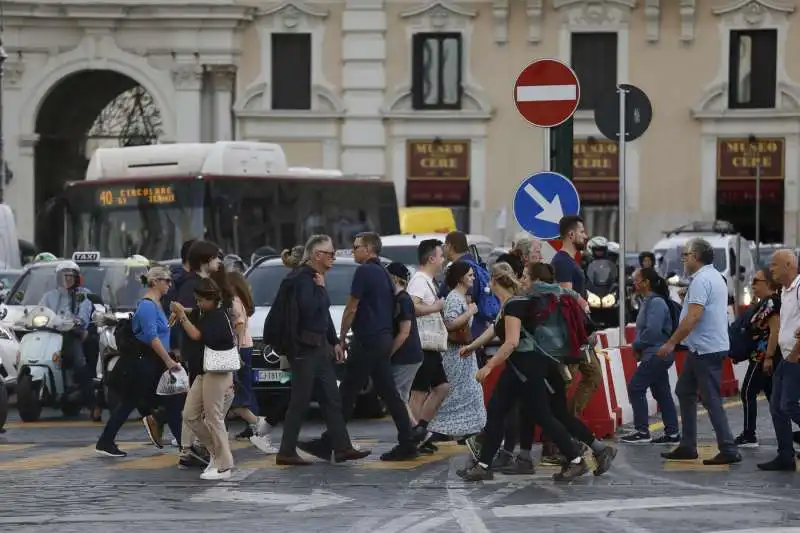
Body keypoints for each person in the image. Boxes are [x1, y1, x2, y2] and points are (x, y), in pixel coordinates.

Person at [457, 263, 615, 482]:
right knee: (537, 412)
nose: (522, 278)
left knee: (538, 414)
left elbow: (511, 341)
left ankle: (575, 460)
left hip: (525, 366)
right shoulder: (520, 302)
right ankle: (485, 464)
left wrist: (488, 366)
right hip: (540, 364)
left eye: (525, 275)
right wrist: (472, 346)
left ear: (493, 282)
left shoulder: (515, 304)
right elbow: (497, 327)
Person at [301, 233, 418, 462]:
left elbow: (352, 307)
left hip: (367, 341)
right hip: (382, 340)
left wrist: (342, 337)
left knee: (347, 392)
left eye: (356, 247)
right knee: (388, 394)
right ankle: (407, 442)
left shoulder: (364, 271)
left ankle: (330, 442)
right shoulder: (384, 272)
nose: (353, 251)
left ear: (368, 249)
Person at [274, 235, 367, 466]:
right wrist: (321, 291)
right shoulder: (302, 279)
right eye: (330, 254)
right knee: (300, 400)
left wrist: (334, 341)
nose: (333, 258)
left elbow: (322, 317)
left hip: (319, 349)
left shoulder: (316, 278)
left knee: (331, 399)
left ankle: (342, 447)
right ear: (317, 255)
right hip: (304, 349)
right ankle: (286, 451)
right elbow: (309, 310)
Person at [657, 238, 741, 465]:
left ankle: (728, 448)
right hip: (702, 349)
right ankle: (687, 445)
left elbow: (693, 317)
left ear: (695, 257)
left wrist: (671, 343)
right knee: (684, 391)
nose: (683, 259)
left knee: (711, 399)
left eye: (685, 255)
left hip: (706, 350)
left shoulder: (702, 280)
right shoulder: (713, 277)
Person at [95, 266, 183, 457]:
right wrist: (169, 361)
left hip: (152, 362)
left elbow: (160, 332)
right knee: (166, 401)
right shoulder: (147, 306)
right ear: (155, 282)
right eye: (166, 281)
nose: (169, 284)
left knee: (167, 402)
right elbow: (152, 337)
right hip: (145, 363)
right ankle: (185, 446)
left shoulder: (158, 304)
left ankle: (106, 441)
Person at [545, 215, 602, 464]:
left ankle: (569, 430)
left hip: (579, 336)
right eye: (581, 232)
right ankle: (556, 441)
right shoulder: (563, 262)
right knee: (564, 386)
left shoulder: (570, 261)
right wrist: (582, 332)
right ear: (570, 235)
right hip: (571, 337)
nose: (585, 236)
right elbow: (566, 301)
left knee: (592, 376)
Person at [170, 278, 237, 480]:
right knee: (190, 415)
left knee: (213, 417)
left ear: (211, 299)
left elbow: (197, 335)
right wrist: (184, 311)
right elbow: (196, 312)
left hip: (216, 372)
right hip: (202, 371)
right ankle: (215, 455)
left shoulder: (217, 316)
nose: (198, 304)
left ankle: (224, 465)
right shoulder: (205, 312)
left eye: (201, 300)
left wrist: (182, 316)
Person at [426, 261, 486, 439]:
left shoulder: (460, 297)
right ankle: (442, 429)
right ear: (460, 278)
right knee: (458, 393)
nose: (473, 278)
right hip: (456, 355)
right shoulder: (454, 298)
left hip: (465, 354)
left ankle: (468, 429)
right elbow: (450, 324)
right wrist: (470, 312)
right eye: (469, 275)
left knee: (469, 392)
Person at [620, 268, 680, 444]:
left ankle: (642, 431)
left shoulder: (656, 303)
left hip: (656, 353)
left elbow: (652, 331)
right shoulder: (649, 301)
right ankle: (672, 433)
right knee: (662, 392)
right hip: (655, 353)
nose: (634, 283)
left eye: (637, 279)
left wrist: (637, 345)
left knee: (636, 388)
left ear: (646, 282)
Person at [758, 250, 799, 471]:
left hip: (797, 356)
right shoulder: (785, 291)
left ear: (789, 265)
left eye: (774, 265)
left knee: (789, 404)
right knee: (777, 407)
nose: (770, 269)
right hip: (788, 356)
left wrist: (794, 354)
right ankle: (786, 455)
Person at [227, 271, 276, 454]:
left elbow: (239, 325)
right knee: (243, 389)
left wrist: (237, 350)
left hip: (240, 348)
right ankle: (255, 426)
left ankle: (257, 426)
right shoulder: (240, 300)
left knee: (239, 391)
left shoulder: (233, 301)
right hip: (245, 346)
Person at [407, 239, 449, 450]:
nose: (443, 261)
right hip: (423, 344)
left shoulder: (428, 281)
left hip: (432, 345)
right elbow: (412, 307)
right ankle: (412, 436)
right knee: (419, 392)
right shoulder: (418, 280)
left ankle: (421, 428)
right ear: (431, 258)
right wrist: (436, 307)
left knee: (441, 388)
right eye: (441, 256)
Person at [39, 261, 95, 415]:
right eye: (64, 276)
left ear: (77, 278)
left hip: (72, 335)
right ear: (58, 277)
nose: (68, 279)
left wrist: (76, 321)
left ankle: (92, 403)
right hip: (50, 334)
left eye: (71, 276)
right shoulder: (49, 296)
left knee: (79, 363)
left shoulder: (83, 294)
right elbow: (40, 311)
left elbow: (84, 315)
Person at [735, 267, 782, 448]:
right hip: (761, 356)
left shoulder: (772, 303)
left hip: (763, 357)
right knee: (774, 400)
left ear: (768, 283)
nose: (753, 285)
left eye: (757, 281)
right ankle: (782, 437)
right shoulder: (764, 303)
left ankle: (749, 434)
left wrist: (768, 357)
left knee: (747, 391)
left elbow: (774, 331)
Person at [386, 262, 424, 425]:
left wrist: (388, 353)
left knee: (397, 397)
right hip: (408, 355)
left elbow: (404, 332)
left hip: (406, 357)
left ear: (393, 278)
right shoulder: (398, 299)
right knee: (399, 396)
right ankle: (413, 432)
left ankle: (416, 432)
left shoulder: (403, 300)